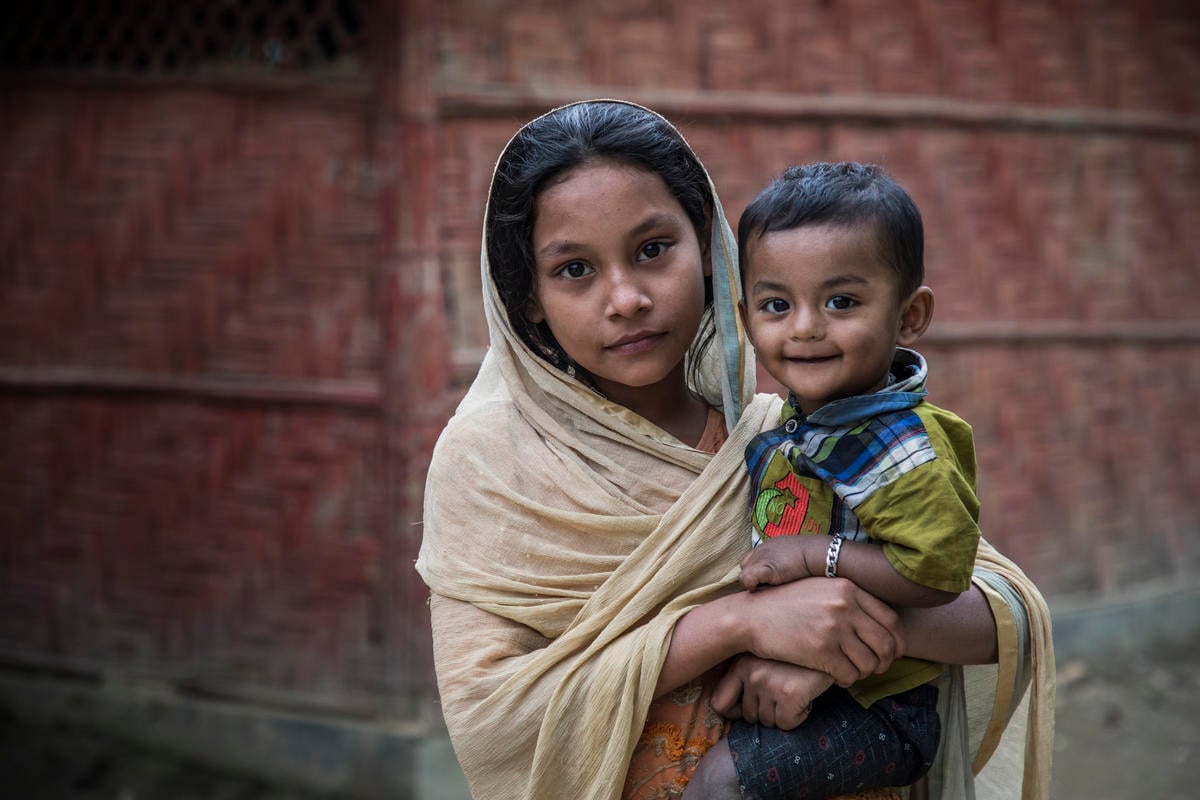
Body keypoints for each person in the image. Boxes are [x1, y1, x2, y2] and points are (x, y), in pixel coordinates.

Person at [415, 100, 1054, 800]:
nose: (625, 298)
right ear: (528, 296)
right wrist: (737, 623)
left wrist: (829, 643)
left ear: (710, 249)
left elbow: (1003, 615)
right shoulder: (491, 466)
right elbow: (490, 714)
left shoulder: (792, 434)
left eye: (653, 249)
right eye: (574, 269)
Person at [684, 163, 981, 800]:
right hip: (820, 682)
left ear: (909, 316)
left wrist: (819, 555)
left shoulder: (902, 447)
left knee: (719, 784)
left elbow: (939, 573)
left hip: (883, 707)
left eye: (841, 301)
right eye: (776, 305)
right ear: (745, 316)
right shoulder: (799, 424)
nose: (804, 327)